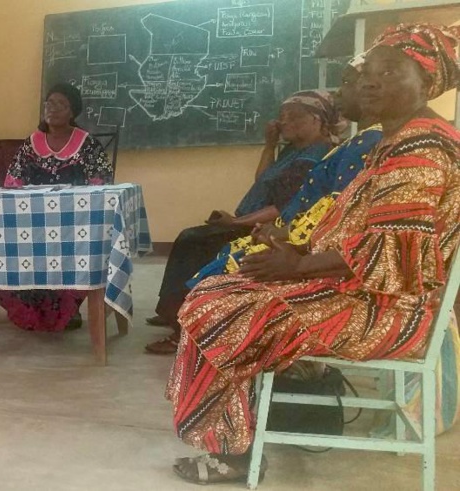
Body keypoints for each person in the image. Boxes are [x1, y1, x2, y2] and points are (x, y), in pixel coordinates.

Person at [167, 23, 460, 485]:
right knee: (221, 287)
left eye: (389, 71)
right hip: (367, 291)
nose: (369, 81)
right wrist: (296, 248)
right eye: (368, 71)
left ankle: (232, 454)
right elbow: (357, 228)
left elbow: (392, 250)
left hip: (392, 309)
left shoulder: (421, 150)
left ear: (427, 83)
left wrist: (299, 266)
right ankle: (243, 424)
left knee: (221, 309)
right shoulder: (396, 140)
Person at [145, 62, 383, 355]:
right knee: (194, 237)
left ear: (318, 120)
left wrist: (238, 224)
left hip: (281, 234)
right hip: (267, 226)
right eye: (282, 116)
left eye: (294, 116)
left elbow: (290, 208)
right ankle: (174, 311)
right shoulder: (294, 151)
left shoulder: (318, 154)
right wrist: (270, 145)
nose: (285, 121)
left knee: (199, 242)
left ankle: (185, 323)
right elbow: (263, 181)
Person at [0, 82, 112, 332]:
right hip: (34, 222)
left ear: (72, 111)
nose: (52, 108)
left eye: (60, 104)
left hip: (75, 223)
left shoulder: (87, 144)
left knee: (74, 249)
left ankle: (67, 309)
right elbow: (12, 182)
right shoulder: (30, 144)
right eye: (49, 103)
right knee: (5, 248)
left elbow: (101, 184)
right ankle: (32, 313)